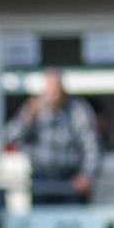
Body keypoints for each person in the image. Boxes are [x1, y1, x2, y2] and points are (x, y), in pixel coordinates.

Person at [5, 69, 101, 205]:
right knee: (41, 218)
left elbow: (92, 146)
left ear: (63, 89)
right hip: (41, 176)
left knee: (72, 217)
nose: (53, 94)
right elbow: (10, 137)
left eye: (56, 89)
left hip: (71, 178)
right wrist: (28, 118)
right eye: (49, 89)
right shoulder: (33, 109)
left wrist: (87, 175)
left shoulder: (78, 110)